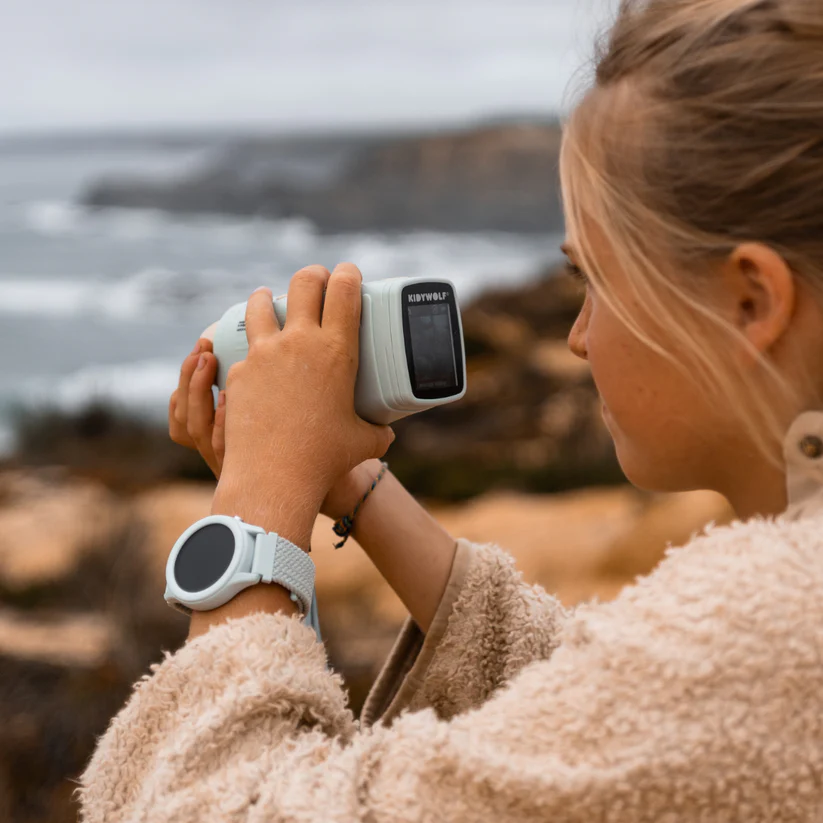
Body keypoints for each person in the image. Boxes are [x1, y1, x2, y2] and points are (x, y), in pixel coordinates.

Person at [76, 1, 823, 819]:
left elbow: (205, 805)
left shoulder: (774, 635)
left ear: (750, 300)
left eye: (596, 281)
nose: (577, 336)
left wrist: (256, 502)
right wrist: (346, 481)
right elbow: (600, 714)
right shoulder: (773, 633)